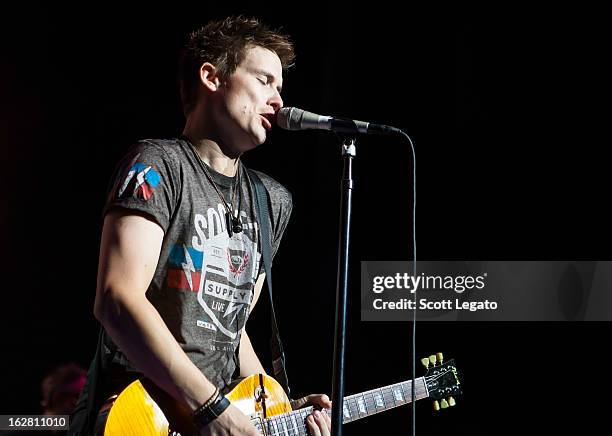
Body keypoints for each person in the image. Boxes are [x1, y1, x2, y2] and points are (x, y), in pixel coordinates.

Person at [69, 16, 332, 436]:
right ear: (211, 77)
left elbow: (233, 326)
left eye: (280, 88)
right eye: (265, 80)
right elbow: (116, 299)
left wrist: (277, 408)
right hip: (140, 413)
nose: (278, 101)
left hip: (213, 414)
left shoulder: (272, 202)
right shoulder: (157, 166)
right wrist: (211, 408)